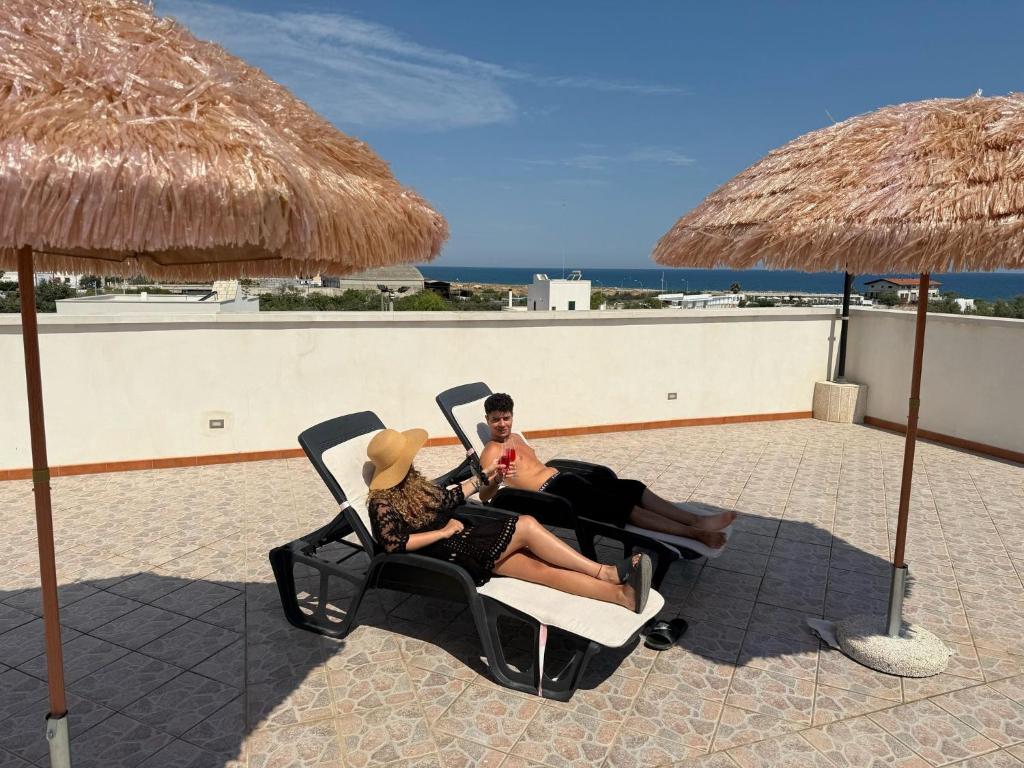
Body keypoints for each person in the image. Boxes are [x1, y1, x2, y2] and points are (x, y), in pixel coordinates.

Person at [365, 427, 653, 612]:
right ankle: (604, 572)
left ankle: (622, 596)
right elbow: (393, 544)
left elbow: (450, 498)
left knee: (544, 572)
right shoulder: (381, 502)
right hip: (451, 550)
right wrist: (442, 533)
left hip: (463, 541)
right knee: (526, 524)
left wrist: (483, 478)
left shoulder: (413, 485)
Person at [478, 393, 736, 548]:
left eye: (506, 417)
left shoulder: (518, 439)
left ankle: (695, 519)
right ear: (488, 420)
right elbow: (484, 496)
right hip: (552, 496)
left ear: (512, 416)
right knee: (622, 507)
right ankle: (695, 533)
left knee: (631, 487)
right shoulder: (491, 451)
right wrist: (497, 478)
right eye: (496, 419)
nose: (502, 424)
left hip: (564, 480)